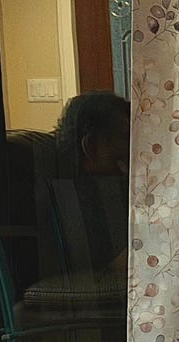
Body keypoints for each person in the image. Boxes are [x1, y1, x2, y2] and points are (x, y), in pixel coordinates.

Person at [50, 91, 130, 275]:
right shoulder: (76, 200)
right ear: (91, 146)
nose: (132, 147)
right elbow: (109, 271)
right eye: (125, 138)